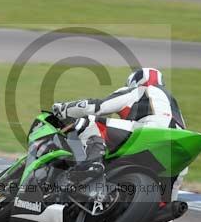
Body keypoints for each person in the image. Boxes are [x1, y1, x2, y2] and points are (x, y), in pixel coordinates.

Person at [52, 68, 186, 181]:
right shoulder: (173, 103)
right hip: (176, 145)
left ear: (133, 82)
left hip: (148, 132)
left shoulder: (138, 90)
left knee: (90, 121)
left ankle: (91, 164)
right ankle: (166, 207)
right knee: (165, 200)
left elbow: (98, 106)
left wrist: (64, 108)